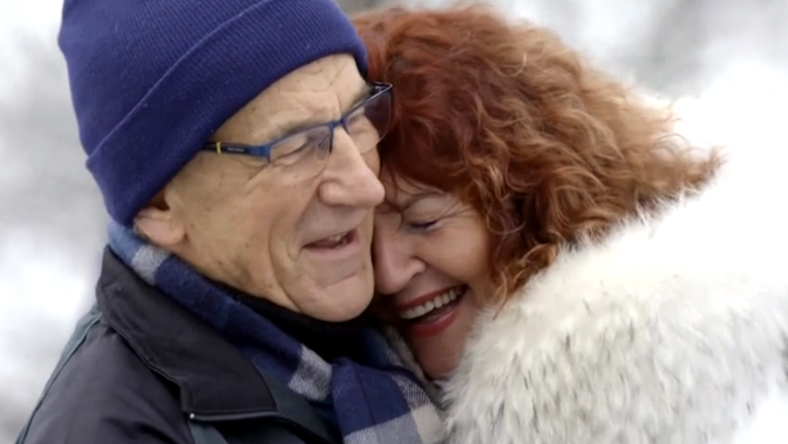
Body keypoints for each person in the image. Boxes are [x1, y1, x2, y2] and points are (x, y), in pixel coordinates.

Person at [353, 5, 788, 444]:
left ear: (530, 199)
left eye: (424, 222)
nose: (387, 274)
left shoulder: (674, 375)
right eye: (358, 233)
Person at [15, 1, 445, 444]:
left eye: (356, 118)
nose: (364, 187)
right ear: (160, 204)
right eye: (296, 145)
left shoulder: (424, 326)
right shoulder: (111, 431)